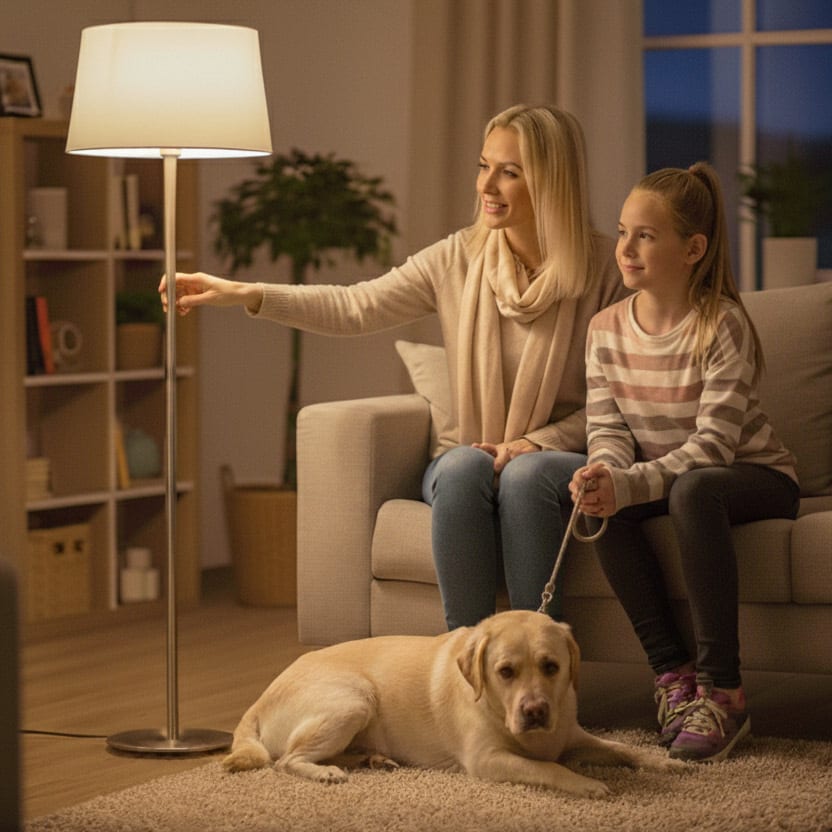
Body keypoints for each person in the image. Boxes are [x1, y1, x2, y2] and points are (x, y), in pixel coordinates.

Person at [161, 103, 628, 631]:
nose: (486, 185)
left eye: (510, 172)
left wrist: (537, 441)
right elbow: (357, 304)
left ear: (552, 182)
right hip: (473, 451)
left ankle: (538, 657)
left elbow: (624, 399)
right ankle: (464, 661)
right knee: (461, 467)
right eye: (483, 165)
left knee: (524, 475)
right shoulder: (457, 258)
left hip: (559, 461)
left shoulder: (608, 273)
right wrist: (248, 294)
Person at [570, 162, 799, 763]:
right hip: (679, 479)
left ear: (693, 248)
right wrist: (605, 474)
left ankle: (724, 693)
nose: (625, 248)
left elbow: (714, 447)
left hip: (754, 478)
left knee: (693, 490)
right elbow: (609, 428)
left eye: (645, 235)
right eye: (623, 232)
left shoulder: (720, 324)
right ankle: (673, 678)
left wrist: (633, 482)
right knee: (600, 503)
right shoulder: (603, 330)